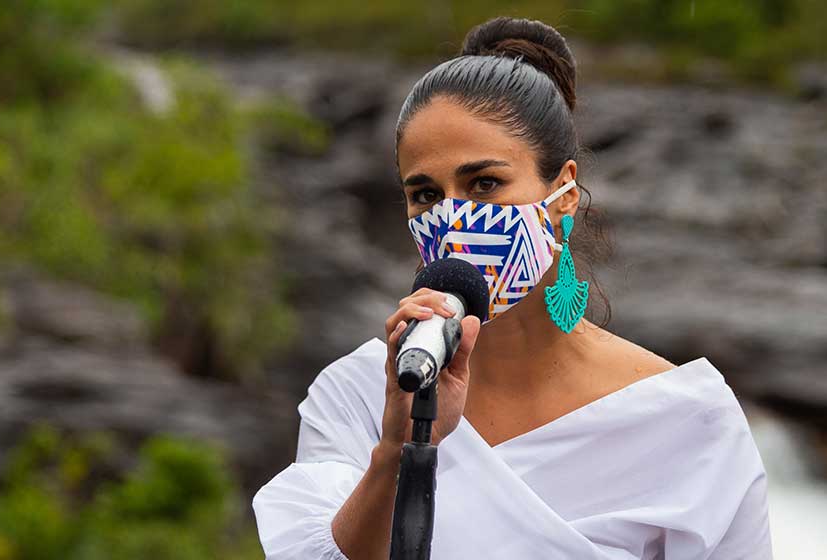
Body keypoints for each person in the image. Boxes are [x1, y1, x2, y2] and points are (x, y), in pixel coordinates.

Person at [252, 16, 772, 560]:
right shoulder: (357, 395)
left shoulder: (686, 419)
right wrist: (397, 451)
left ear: (564, 195)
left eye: (485, 184)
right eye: (426, 194)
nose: (453, 218)